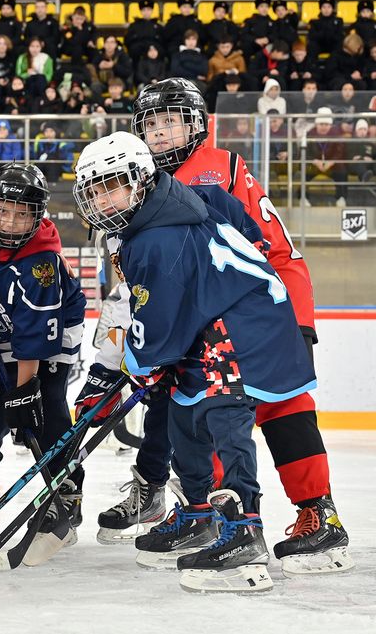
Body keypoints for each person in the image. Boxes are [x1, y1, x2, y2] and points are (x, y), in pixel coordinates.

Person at [90, 79, 351, 576]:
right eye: (151, 123)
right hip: (193, 330)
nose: (161, 133)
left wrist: (299, 320)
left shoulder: (220, 167)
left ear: (196, 124)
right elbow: (134, 289)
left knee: (281, 405)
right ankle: (204, 513)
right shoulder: (130, 183)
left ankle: (316, 513)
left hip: (246, 315)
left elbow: (275, 245)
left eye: (171, 120)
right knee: (191, 416)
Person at [0, 163, 85, 557]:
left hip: (50, 338)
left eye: (23, 213)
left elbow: (35, 339)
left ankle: (66, 493)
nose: (11, 221)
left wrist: (25, 396)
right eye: (3, 210)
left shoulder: (40, 265)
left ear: (38, 215)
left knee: (48, 410)